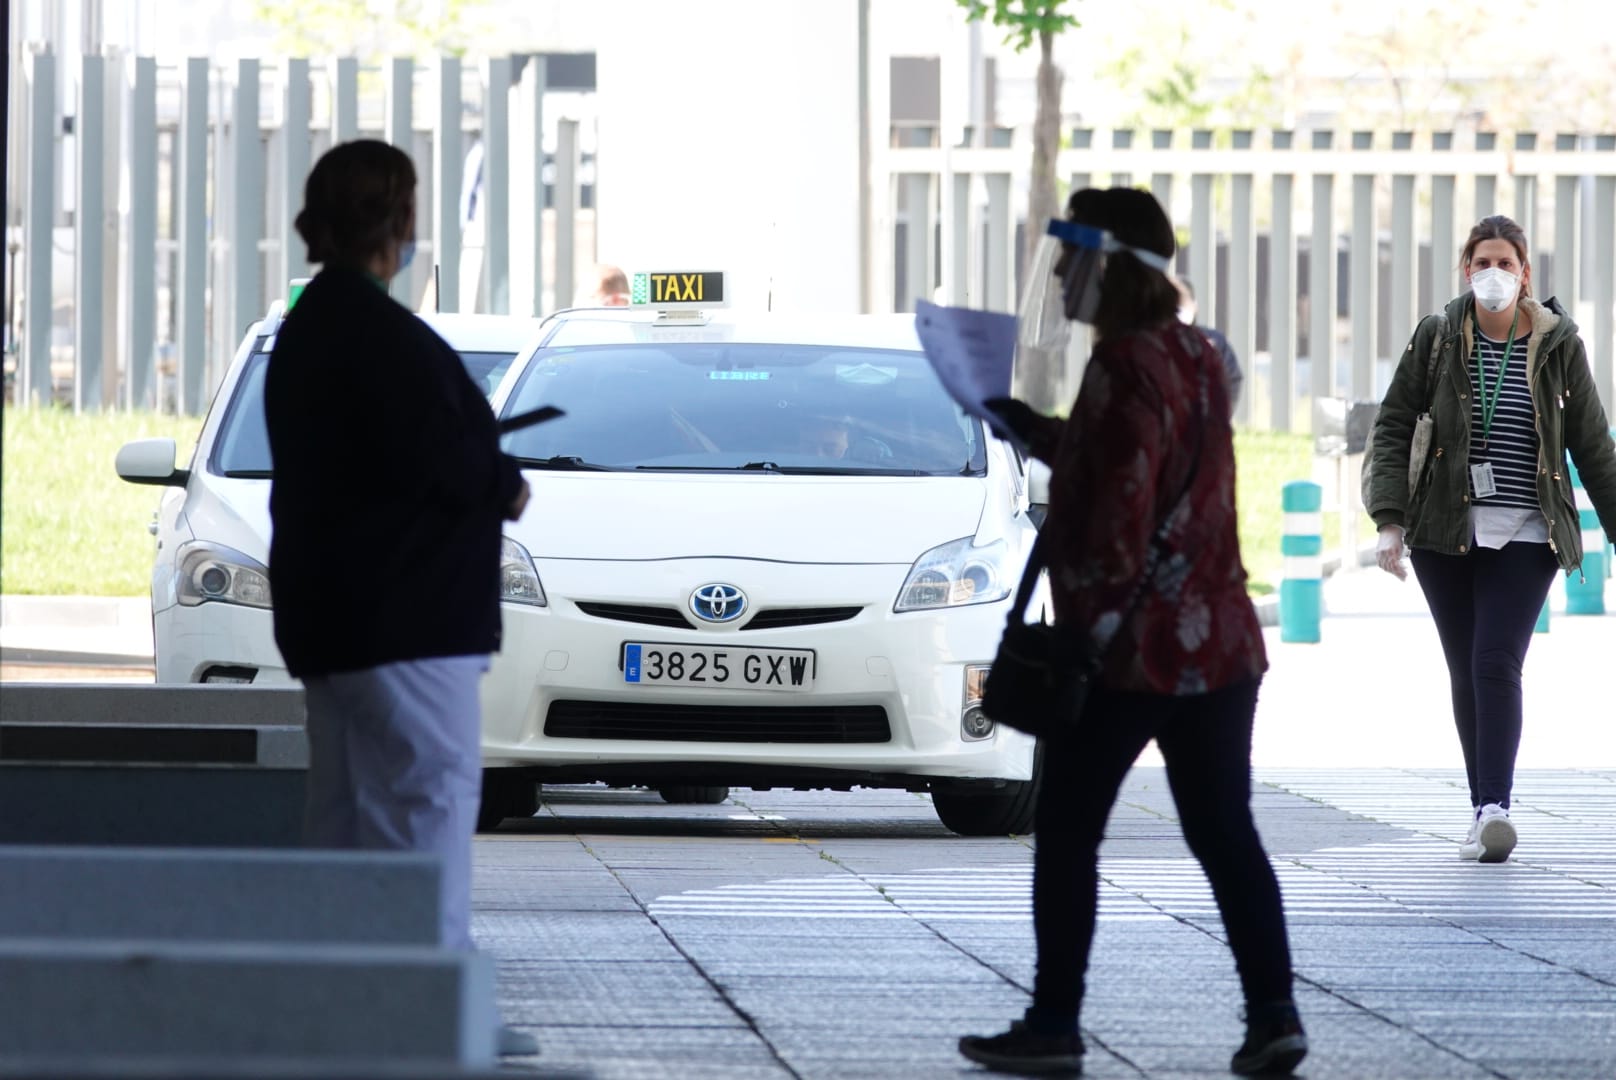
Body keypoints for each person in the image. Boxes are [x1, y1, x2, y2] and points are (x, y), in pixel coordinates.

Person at [958, 188, 1306, 1077]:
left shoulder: (1118, 363)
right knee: (1226, 830)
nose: (1066, 277)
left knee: (1069, 832)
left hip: (1127, 651)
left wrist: (1082, 629)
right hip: (1219, 643)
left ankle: (1055, 1021)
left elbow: (1117, 507)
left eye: (1074, 259)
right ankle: (1274, 1014)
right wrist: (1039, 431)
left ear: (1108, 266)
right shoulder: (1194, 353)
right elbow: (1132, 454)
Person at [264, 140, 537, 1056]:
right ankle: (428, 1016)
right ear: (402, 221)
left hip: (336, 621)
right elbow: (434, 461)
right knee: (422, 816)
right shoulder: (376, 334)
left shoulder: (312, 326)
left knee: (348, 824)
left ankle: (344, 1016)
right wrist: (498, 476)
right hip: (409, 622)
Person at [1365, 214, 1616, 863]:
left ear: (1526, 272)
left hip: (1532, 529)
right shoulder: (1440, 336)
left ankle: (1496, 807)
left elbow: (1594, 446)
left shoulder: (1558, 346)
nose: (1494, 274)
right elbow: (1394, 424)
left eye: (1506, 263)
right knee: (1464, 669)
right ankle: (1483, 811)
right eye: (1482, 263)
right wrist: (1389, 516)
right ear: (1466, 270)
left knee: (1495, 661)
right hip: (1444, 530)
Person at [1176, 277, 1244, 412]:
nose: (1177, 309)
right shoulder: (1149, 343)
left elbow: (1232, 379)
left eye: (1182, 302)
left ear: (1194, 305)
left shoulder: (1214, 340)